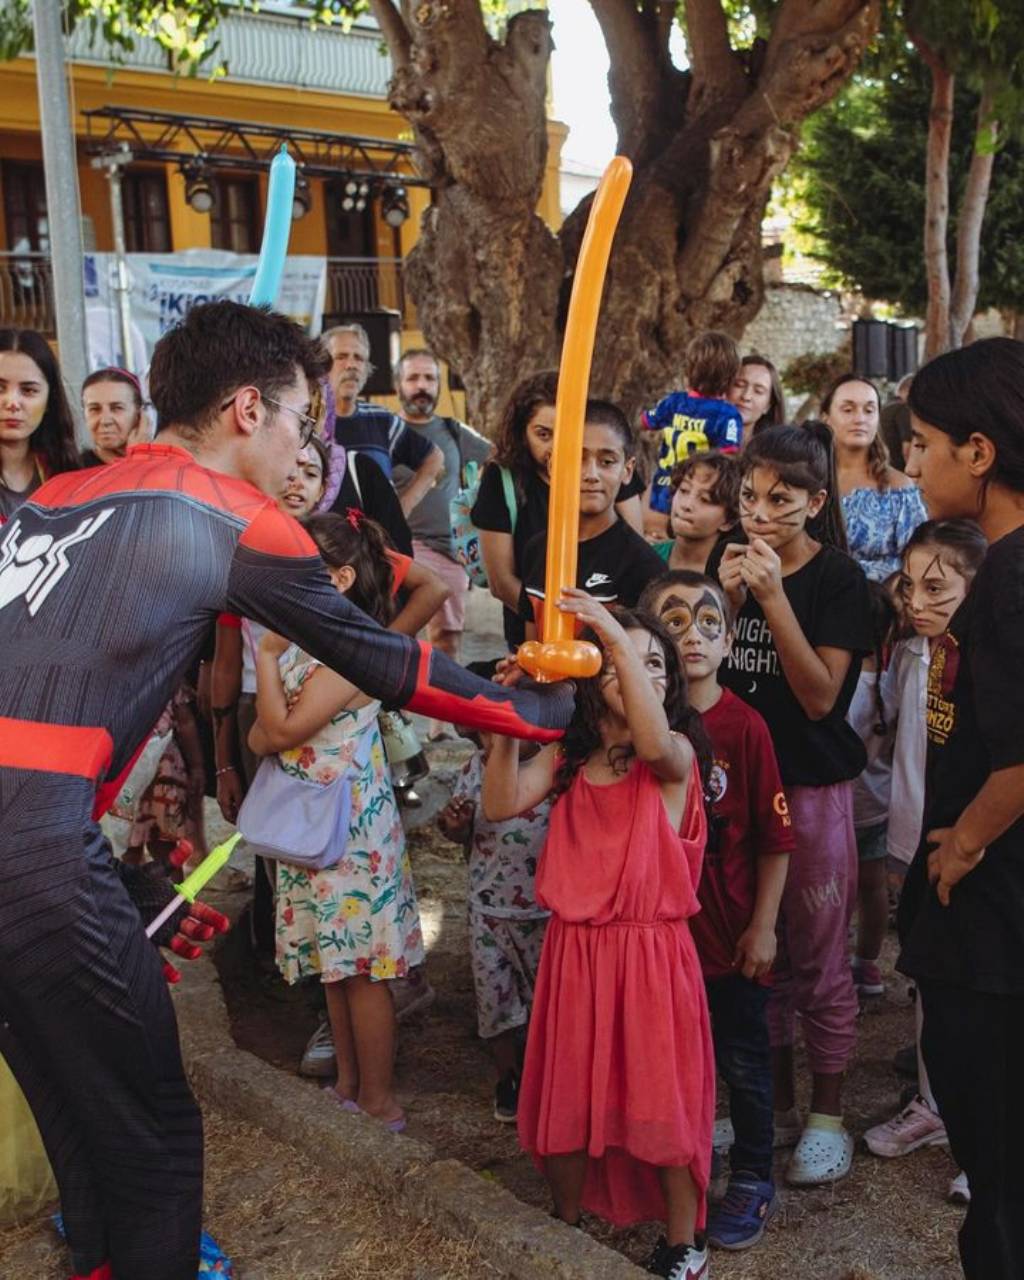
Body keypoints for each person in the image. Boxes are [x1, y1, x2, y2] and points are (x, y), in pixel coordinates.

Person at [0, 299, 572, 1280]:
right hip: (33, 852)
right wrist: (543, 712)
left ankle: (93, 1255)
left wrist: (111, 880)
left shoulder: (65, 494)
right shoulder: (237, 518)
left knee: (66, 1079)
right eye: (301, 421)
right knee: (156, 1132)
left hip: (39, 843)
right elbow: (389, 661)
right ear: (243, 410)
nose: (306, 445)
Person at [483, 594, 714, 1280]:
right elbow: (500, 804)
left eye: (652, 665)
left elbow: (649, 741)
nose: (631, 670)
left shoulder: (673, 758)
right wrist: (506, 724)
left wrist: (612, 633)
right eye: (617, 661)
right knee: (570, 1097)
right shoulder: (571, 763)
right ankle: (566, 1224)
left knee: (660, 1105)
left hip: (649, 958)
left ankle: (684, 1244)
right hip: (576, 955)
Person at [709, 423, 872, 1187]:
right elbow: (706, 671)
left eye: (780, 498)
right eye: (749, 496)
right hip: (739, 790)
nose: (760, 512)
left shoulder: (838, 581)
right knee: (754, 951)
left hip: (810, 792)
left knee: (817, 958)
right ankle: (769, 1105)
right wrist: (727, 602)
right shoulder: (727, 562)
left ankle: (828, 1114)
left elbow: (817, 698)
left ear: (815, 501)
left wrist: (770, 598)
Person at [895, 338, 1024, 1280]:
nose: (914, 462)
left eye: (925, 442)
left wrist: (962, 846)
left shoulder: (1011, 580)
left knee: (1003, 1178)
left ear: (979, 453)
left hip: (994, 931)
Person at [251, 512, 422, 1132]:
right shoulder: (303, 647)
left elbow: (282, 730)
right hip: (313, 833)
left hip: (351, 835)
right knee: (334, 962)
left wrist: (266, 658)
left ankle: (378, 1096)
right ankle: (350, 1085)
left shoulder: (350, 648)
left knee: (364, 969)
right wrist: (275, 691)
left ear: (342, 578)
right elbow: (260, 733)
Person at [641, 570, 793, 1252]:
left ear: (730, 641)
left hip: (729, 941)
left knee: (743, 1060)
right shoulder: (641, 728)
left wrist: (763, 926)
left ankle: (755, 1175)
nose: (693, 636)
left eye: (709, 623)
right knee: (675, 1066)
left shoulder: (746, 726)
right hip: (660, 946)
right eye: (674, 622)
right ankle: (687, 1173)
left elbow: (774, 839)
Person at [862, 519, 984, 1199]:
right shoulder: (910, 655)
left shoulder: (991, 663)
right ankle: (937, 1109)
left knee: (985, 992)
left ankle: (989, 1136)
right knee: (930, 980)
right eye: (908, 585)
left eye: (937, 586)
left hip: (974, 847)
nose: (916, 600)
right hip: (912, 838)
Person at [471, 371, 646, 650]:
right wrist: (552, 623)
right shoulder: (505, 481)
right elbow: (501, 581)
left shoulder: (605, 476)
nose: (556, 447)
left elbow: (633, 552)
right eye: (543, 434)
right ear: (521, 432)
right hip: (534, 638)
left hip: (607, 646)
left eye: (565, 433)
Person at [438, 732, 551, 1124]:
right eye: (484, 731)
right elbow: (457, 833)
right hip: (486, 910)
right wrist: (455, 826)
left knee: (546, 1005)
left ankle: (547, 1080)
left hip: (543, 914)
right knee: (495, 1003)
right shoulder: (473, 768)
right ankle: (510, 1080)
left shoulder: (552, 768)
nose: (494, 740)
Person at [392, 348, 492, 738]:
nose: (421, 387)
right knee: (396, 639)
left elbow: (497, 458)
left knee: (447, 640)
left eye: (429, 379)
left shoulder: (454, 431)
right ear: (399, 384)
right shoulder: (387, 430)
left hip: (449, 553)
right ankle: (394, 725)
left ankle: (439, 725)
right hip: (399, 549)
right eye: (413, 378)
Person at [518, 400, 665, 637]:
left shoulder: (642, 565)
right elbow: (532, 643)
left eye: (607, 462)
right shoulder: (537, 549)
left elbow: (644, 663)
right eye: (578, 459)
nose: (591, 475)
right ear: (554, 465)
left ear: (627, 471)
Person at [323, 323, 442, 512]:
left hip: (377, 539)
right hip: (323, 538)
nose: (351, 365)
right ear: (323, 366)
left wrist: (401, 509)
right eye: (341, 356)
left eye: (359, 358)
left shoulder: (381, 420)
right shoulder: (307, 420)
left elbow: (434, 458)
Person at [846, 581, 899, 999]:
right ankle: (868, 965)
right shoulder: (894, 676)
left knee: (839, 887)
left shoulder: (841, 684)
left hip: (840, 806)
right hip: (878, 803)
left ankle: (833, 960)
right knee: (873, 887)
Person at [823, 373, 927, 581]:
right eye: (848, 409)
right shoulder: (809, 481)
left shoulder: (899, 488)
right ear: (826, 418)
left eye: (869, 410)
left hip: (880, 603)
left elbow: (919, 558)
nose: (860, 418)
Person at [641, 331, 743, 537]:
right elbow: (729, 455)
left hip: (660, 490)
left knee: (653, 543)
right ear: (731, 378)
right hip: (695, 498)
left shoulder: (673, 402)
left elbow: (645, 421)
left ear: (688, 370)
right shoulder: (727, 415)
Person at [0, 327, 79, 517]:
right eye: (0, 388)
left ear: (49, 401)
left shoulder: (65, 472)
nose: (12, 403)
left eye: (28, 390)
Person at [653, 451, 740, 572]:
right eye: (684, 490)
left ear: (728, 521)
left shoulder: (728, 575)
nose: (687, 505)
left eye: (704, 499)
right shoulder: (647, 557)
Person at [80, 367, 148, 466]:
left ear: (140, 414)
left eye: (117, 408)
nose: (105, 421)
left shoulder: (162, 464)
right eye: (94, 409)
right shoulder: (72, 469)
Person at [729, 355, 785, 438]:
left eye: (758, 391)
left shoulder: (775, 449)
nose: (746, 396)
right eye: (739, 385)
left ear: (768, 405)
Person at [879, 373, 914, 471]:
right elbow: (907, 449)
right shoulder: (903, 409)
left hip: (887, 470)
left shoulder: (885, 407)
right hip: (901, 472)